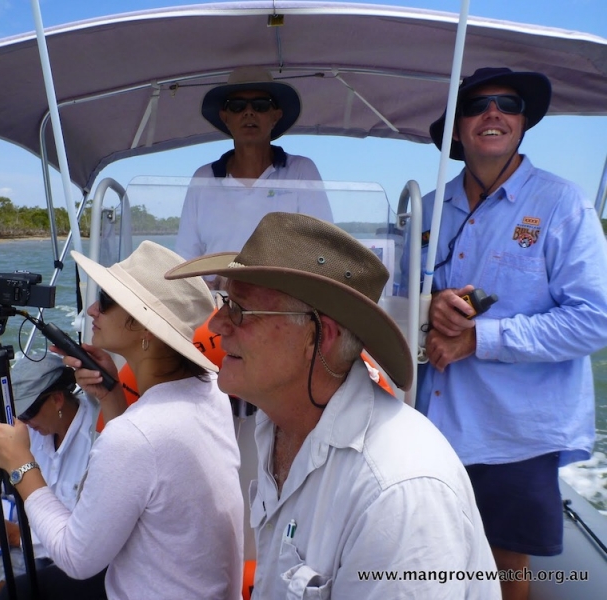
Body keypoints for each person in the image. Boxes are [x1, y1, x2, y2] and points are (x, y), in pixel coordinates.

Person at [165, 211, 499, 599]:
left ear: (322, 336)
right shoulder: (279, 423)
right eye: (224, 301)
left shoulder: (398, 495)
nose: (219, 323)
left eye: (241, 309)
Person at [404, 67, 607, 600]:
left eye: (508, 103)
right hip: (429, 425)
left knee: (503, 568)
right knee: (426, 556)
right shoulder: (426, 211)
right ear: (456, 128)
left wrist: (478, 338)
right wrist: (426, 305)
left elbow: (594, 319)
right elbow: (394, 301)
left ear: (522, 121)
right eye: (477, 105)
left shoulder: (562, 204)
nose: (493, 113)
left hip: (515, 433)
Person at [0, 241, 244, 600]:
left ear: (144, 326)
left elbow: (76, 558)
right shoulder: (209, 391)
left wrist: (20, 465)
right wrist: (110, 396)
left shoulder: (136, 435)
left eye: (107, 301)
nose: (92, 309)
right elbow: (150, 466)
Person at [0, 352, 102, 599]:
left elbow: (86, 537)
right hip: (29, 538)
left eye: (28, 412)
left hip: (72, 555)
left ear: (57, 399)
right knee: (0, 583)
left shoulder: (98, 438)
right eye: (18, 416)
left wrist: (16, 535)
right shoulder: (31, 427)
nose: (24, 422)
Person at [175, 66, 333, 270]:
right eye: (237, 106)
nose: (249, 112)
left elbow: (322, 252)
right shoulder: (203, 178)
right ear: (225, 117)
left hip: (281, 297)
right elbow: (184, 258)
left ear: (275, 116)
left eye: (260, 105)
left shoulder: (302, 171)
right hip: (217, 299)